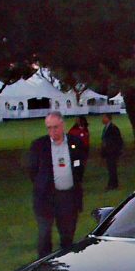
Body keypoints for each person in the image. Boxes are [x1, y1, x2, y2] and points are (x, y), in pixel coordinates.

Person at [28, 111, 87, 258]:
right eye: (49, 128)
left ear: (62, 125)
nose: (52, 131)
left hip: (68, 198)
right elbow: (32, 170)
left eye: (55, 127)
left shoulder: (75, 143)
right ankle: (43, 266)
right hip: (46, 199)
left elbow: (80, 167)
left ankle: (65, 263)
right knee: (44, 235)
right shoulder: (39, 146)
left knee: (67, 235)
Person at [100, 113, 124, 190]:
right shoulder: (106, 128)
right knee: (110, 168)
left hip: (112, 152)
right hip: (108, 152)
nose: (102, 119)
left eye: (104, 118)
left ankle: (112, 184)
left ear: (108, 118)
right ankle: (113, 183)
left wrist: (115, 150)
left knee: (112, 168)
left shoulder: (113, 128)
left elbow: (118, 140)